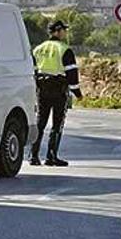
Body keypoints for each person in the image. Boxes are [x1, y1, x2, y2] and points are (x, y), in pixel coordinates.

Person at [30, 20, 82, 167]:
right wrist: (77, 93)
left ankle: (33, 156)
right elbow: (72, 73)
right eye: (64, 30)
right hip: (59, 90)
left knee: (40, 123)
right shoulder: (65, 49)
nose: (65, 33)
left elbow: (32, 70)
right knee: (57, 124)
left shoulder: (38, 49)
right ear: (58, 31)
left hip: (42, 90)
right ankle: (51, 156)